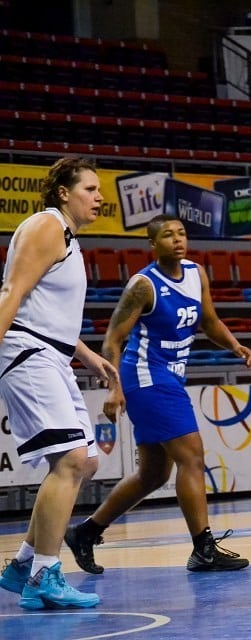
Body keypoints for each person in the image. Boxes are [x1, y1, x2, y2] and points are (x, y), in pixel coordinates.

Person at [63, 214, 251, 574]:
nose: (177, 239)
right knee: (193, 457)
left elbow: (208, 321)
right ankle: (203, 547)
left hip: (169, 378)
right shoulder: (143, 285)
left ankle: (86, 533)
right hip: (146, 377)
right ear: (153, 244)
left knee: (153, 474)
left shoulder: (197, 274)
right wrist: (114, 388)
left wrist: (234, 344)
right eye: (168, 235)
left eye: (181, 233)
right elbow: (113, 340)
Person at [0, 156, 117, 609]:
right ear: (64, 192)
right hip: (28, 354)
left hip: (52, 352)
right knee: (69, 458)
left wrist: (85, 353)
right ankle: (45, 575)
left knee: (85, 461)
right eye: (90, 188)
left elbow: (49, 313)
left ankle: (23, 566)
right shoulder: (47, 226)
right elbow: (12, 293)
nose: (99, 197)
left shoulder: (67, 237)